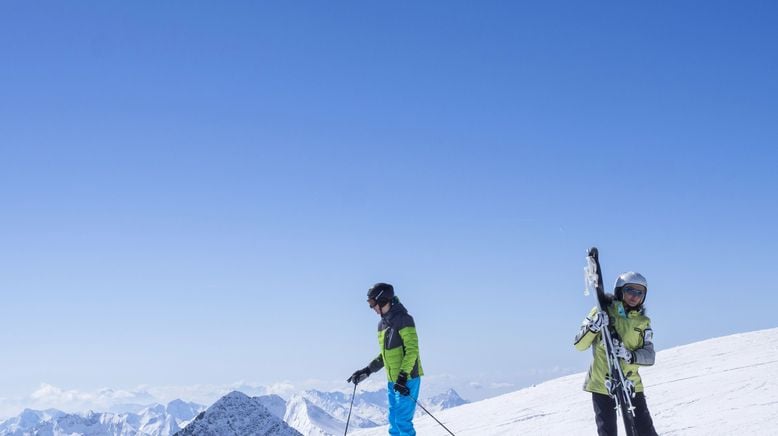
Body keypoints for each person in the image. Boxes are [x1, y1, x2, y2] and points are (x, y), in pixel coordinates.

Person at [574, 272, 658, 436]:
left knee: (645, 430)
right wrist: (594, 327)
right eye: (630, 290)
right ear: (620, 290)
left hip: (630, 384)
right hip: (602, 383)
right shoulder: (601, 311)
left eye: (640, 292)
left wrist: (630, 356)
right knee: (607, 431)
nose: (635, 296)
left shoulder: (643, 322)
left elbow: (649, 355)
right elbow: (579, 344)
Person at [348, 283, 423, 436]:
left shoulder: (404, 319)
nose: (372, 308)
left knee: (403, 422)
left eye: (373, 303)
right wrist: (367, 370)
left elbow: (412, 350)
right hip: (392, 380)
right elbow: (385, 356)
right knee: (394, 421)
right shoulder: (381, 325)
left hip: (407, 379)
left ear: (383, 300)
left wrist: (403, 375)